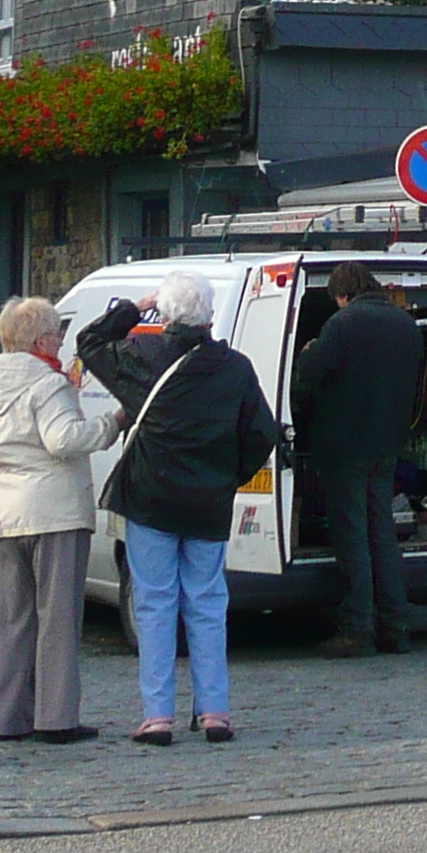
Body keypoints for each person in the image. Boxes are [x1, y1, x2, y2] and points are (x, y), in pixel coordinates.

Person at [77, 271, 278, 745]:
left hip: (151, 498)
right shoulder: (236, 368)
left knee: (154, 603)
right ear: (209, 316)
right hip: (208, 502)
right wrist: (229, 477)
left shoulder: (143, 356)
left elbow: (89, 341)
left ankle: (158, 716)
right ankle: (214, 712)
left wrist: (134, 307)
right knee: (208, 603)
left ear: (164, 315)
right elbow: (262, 434)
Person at [0, 294, 116, 744]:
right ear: (41, 340)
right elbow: (64, 439)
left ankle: (8, 719)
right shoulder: (48, 384)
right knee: (58, 618)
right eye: (57, 334)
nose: (60, 341)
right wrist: (112, 423)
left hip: (3, 515)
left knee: (12, 620)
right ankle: (56, 718)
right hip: (53, 513)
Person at [291, 262, 427, 657]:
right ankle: (396, 626)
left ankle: (356, 627)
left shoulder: (343, 323)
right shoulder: (404, 325)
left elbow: (310, 374)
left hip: (345, 445)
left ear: (342, 294)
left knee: (352, 535)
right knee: (381, 533)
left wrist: (308, 351)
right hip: (387, 443)